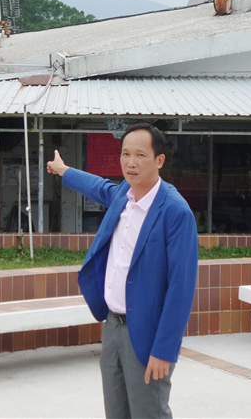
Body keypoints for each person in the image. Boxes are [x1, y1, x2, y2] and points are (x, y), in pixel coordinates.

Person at [47, 122, 199, 418]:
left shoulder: (175, 212)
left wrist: (164, 350)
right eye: (126, 154)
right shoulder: (123, 195)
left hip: (147, 332)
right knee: (116, 411)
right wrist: (64, 170)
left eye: (140, 155)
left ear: (159, 160)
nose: (131, 162)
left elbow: (181, 289)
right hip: (113, 326)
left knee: (148, 412)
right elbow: (98, 186)